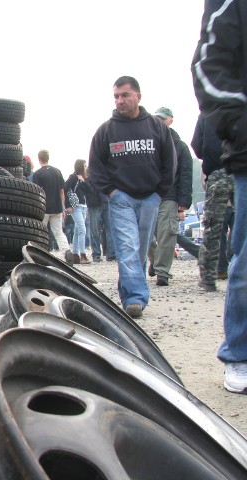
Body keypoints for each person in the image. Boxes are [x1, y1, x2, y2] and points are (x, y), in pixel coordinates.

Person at [192, 0, 247, 394]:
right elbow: (208, 67)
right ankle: (239, 352)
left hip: (222, 172)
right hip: (234, 165)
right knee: (227, 241)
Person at [88, 76, 176, 318]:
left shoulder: (157, 128)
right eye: (116, 96)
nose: (120, 101)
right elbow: (95, 166)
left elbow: (170, 162)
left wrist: (160, 192)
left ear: (138, 96)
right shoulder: (106, 130)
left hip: (150, 198)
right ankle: (136, 298)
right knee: (127, 246)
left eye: (125, 95)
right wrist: (111, 192)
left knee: (140, 249)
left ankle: (127, 291)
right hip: (121, 199)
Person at [147, 107, 193, 286]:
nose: (159, 121)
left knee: (167, 234)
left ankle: (162, 271)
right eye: (157, 118)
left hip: (170, 196)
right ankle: (156, 260)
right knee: (146, 235)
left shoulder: (180, 147)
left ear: (170, 120)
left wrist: (184, 201)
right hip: (149, 195)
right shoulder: (148, 143)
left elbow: (186, 174)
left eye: (162, 118)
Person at [191, 112, 235, 292]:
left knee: (213, 226)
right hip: (242, 172)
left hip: (218, 170)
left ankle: (209, 277)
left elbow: (196, 144)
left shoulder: (208, 111)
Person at [32, 149, 73, 263]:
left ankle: (42, 255)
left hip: (44, 208)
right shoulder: (57, 172)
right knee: (58, 232)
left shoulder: (37, 174)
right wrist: (63, 207)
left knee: (42, 232)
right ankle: (67, 252)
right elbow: (62, 192)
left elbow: (38, 192)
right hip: (57, 207)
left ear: (39, 159)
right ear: (48, 158)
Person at [64, 159, 91, 264]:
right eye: (84, 166)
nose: (86, 168)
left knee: (77, 230)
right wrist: (68, 205)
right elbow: (64, 189)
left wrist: (83, 181)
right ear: (80, 167)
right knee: (82, 229)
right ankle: (83, 255)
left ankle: (75, 255)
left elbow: (90, 190)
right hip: (76, 207)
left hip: (84, 206)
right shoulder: (72, 177)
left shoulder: (84, 178)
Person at [85, 175, 115, 262]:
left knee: (95, 229)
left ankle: (97, 254)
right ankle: (111, 254)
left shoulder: (89, 176)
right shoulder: (104, 173)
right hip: (104, 200)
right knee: (109, 229)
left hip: (97, 203)